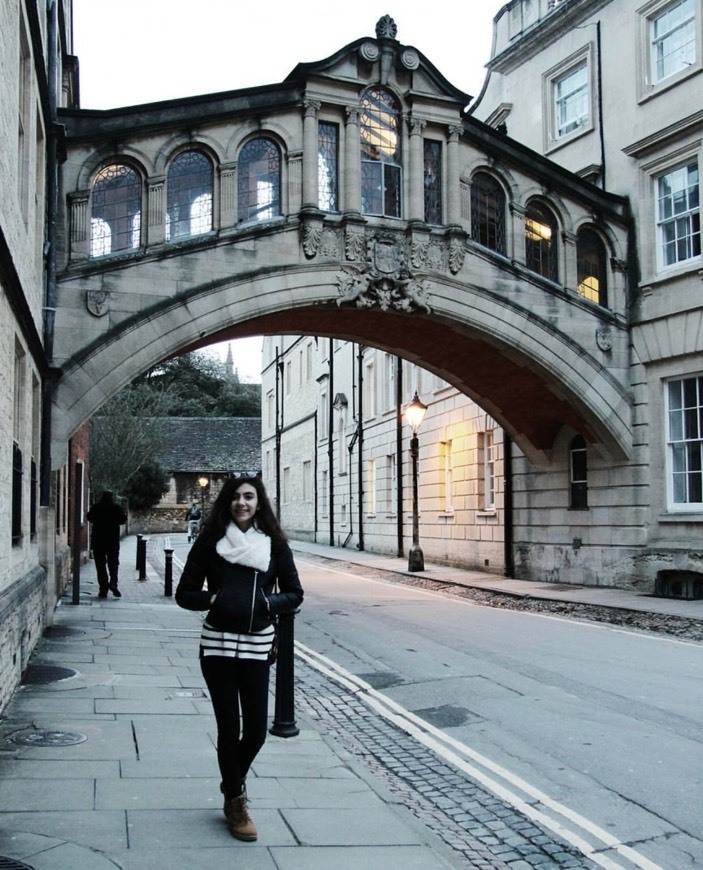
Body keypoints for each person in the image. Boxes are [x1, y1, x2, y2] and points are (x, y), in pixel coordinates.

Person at [175, 475, 303, 842]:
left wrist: (265, 604)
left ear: (259, 503)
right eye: (235, 497)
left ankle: (231, 779)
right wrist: (213, 599)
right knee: (229, 729)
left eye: (249, 497)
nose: (242, 503)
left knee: (257, 732)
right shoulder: (210, 542)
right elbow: (184, 593)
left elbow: (294, 593)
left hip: (256, 646)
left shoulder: (275, 546)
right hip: (216, 646)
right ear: (227, 502)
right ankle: (236, 801)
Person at [87, 491, 128, 598]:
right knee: (113, 563)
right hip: (112, 541)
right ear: (112, 498)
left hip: (98, 541)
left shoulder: (96, 507)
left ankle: (103, 589)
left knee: (100, 566)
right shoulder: (116, 508)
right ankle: (113, 583)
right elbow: (123, 520)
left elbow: (89, 517)